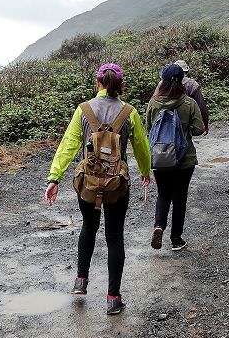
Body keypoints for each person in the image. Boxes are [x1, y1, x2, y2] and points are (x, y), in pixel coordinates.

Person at [44, 63, 151, 316]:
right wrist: (146, 172)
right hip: (116, 185)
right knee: (115, 237)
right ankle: (113, 298)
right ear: (120, 86)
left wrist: (54, 178)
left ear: (98, 83)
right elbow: (141, 147)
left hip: (88, 184)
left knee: (88, 227)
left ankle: (81, 281)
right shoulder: (129, 112)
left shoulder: (83, 110)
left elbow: (68, 145)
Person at [145, 63, 205, 252]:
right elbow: (199, 129)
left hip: (160, 158)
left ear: (162, 80)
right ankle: (176, 239)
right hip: (184, 159)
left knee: (163, 195)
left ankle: (158, 226)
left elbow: (148, 129)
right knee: (180, 198)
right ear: (181, 80)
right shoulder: (189, 103)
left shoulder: (153, 103)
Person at [174, 59, 209, 135]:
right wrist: (205, 125)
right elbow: (201, 107)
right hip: (186, 123)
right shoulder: (192, 84)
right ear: (186, 71)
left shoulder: (164, 84)